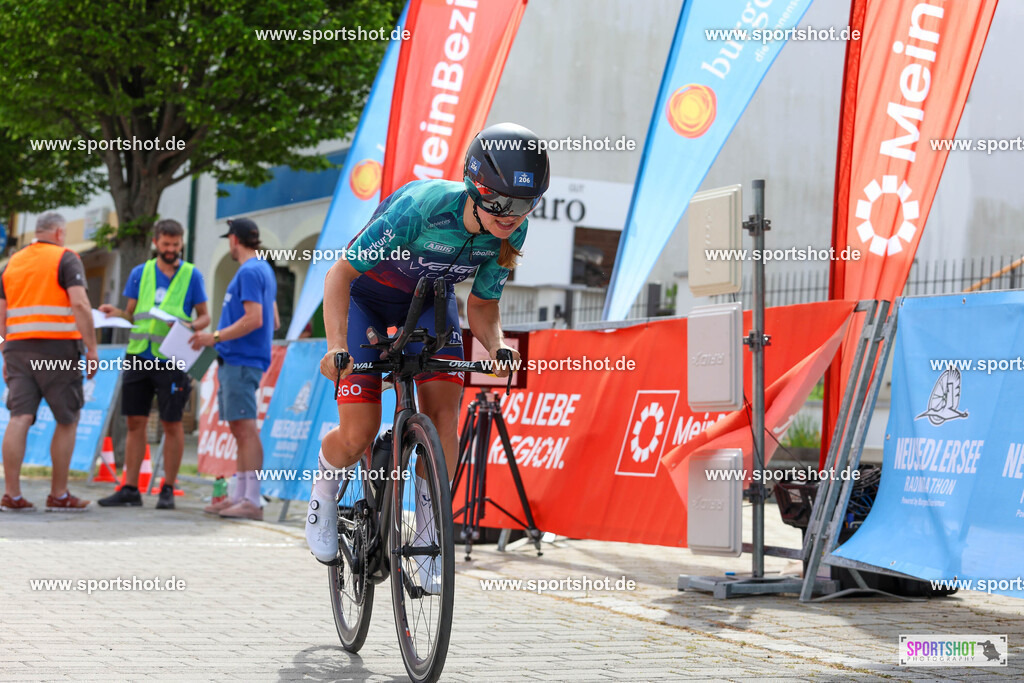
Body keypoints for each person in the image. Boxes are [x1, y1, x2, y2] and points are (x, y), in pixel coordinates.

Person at [304, 123, 548, 583]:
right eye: (499, 202)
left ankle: (431, 532)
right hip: (368, 303)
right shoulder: (421, 209)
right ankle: (324, 488)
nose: (511, 215)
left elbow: (483, 303)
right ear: (475, 188)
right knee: (359, 432)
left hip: (430, 307)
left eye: (525, 203)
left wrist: (495, 345)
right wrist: (337, 345)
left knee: (442, 417)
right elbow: (339, 275)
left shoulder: (513, 231)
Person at [96, 219, 209, 510]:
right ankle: (130, 488)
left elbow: (204, 318)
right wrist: (115, 312)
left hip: (173, 359)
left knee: (172, 423)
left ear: (181, 243)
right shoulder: (140, 272)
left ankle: (168, 488)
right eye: (166, 244)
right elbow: (131, 314)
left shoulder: (191, 275)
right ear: (156, 243)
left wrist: (189, 324)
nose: (171, 249)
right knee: (135, 422)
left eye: (176, 244)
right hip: (138, 355)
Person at [0, 212, 99, 512]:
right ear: (58, 233)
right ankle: (58, 494)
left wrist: (4, 349)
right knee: (67, 419)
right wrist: (92, 347)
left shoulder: (12, 263)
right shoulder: (66, 258)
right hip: (57, 351)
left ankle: (12, 495)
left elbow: (1, 312)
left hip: (17, 350)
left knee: (19, 418)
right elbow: (80, 303)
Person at [190, 217, 279, 520]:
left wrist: (213, 336)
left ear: (234, 239)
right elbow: (273, 320)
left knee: (245, 430)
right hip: (241, 360)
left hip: (241, 360)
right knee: (241, 431)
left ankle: (251, 500)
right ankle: (242, 496)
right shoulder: (261, 268)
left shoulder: (251, 270)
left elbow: (255, 319)